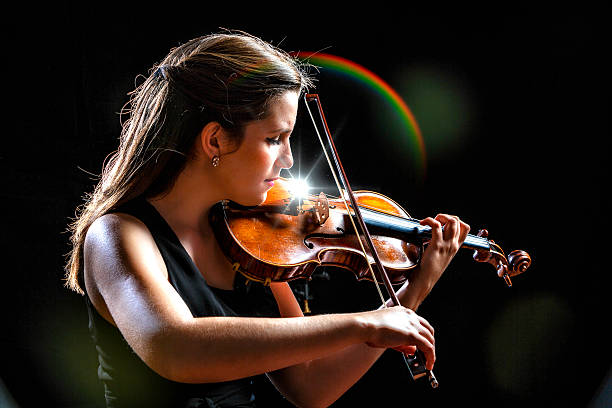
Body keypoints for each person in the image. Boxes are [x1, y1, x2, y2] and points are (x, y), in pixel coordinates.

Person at [65, 31, 470, 408]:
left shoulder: (251, 242)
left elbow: (311, 387)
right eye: (274, 138)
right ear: (215, 140)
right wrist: (363, 323)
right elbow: (173, 346)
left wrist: (411, 294)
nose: (289, 159)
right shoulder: (118, 234)